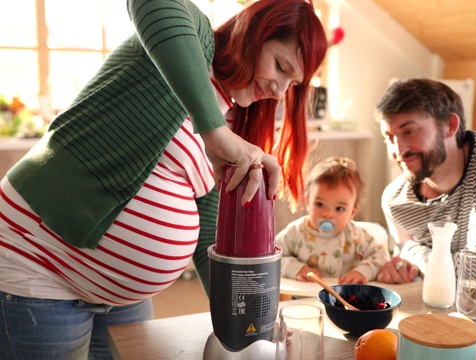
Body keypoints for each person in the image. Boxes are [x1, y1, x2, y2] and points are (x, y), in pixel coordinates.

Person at [0, 0, 327, 359]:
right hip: (37, 269)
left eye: (292, 83)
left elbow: (209, 236)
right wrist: (213, 131)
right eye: (281, 66)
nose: (280, 91)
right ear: (254, 33)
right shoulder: (195, 43)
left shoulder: (229, 120)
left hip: (122, 300)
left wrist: (254, 324)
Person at [374, 78, 476, 284]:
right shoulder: (395, 201)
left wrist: (411, 249)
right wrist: (399, 269)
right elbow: (409, 272)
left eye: (409, 131)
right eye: (389, 137)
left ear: (450, 126)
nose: (399, 151)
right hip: (440, 309)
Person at [276, 157, 390, 284]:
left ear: (352, 212)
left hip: (342, 297)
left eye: (339, 208)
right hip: (304, 298)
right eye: (320, 204)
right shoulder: (295, 232)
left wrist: (362, 271)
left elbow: (381, 255)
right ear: (308, 202)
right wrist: (296, 268)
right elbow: (272, 256)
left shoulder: (355, 236)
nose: (328, 214)